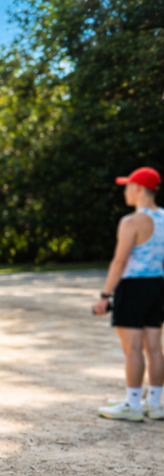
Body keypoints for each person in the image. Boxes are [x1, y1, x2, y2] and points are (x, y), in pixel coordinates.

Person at [93, 167, 164, 421]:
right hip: (158, 286)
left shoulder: (131, 222)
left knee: (133, 348)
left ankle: (133, 404)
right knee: (154, 348)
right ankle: (154, 404)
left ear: (138, 189)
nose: (125, 191)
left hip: (133, 287)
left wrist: (105, 295)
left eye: (127, 186)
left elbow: (120, 262)